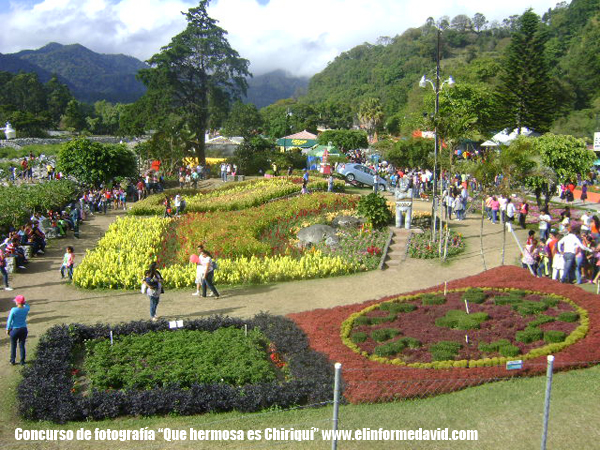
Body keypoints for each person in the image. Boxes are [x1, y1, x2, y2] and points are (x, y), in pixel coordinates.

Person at [6, 295, 30, 365]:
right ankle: (22, 361)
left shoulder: (14, 309)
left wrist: (8, 329)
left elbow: (9, 320)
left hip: (15, 330)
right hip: (24, 329)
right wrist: (24, 302)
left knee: (13, 345)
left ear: (18, 302)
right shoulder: (26, 309)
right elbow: (27, 305)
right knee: (22, 345)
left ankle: (12, 360)